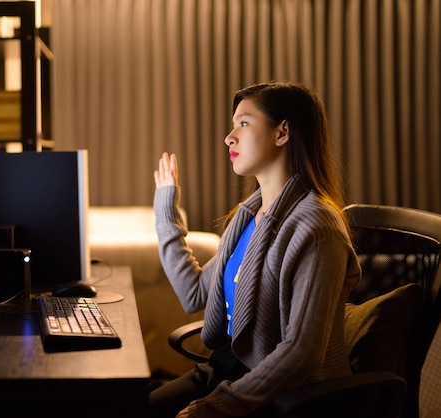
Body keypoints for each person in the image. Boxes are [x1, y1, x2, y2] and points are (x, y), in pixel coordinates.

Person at [150, 81, 361, 417]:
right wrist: (166, 211)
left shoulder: (319, 228)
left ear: (283, 133)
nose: (228, 137)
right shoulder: (249, 215)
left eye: (243, 124)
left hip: (279, 395)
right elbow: (193, 294)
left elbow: (302, 353)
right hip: (224, 371)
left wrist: (216, 407)